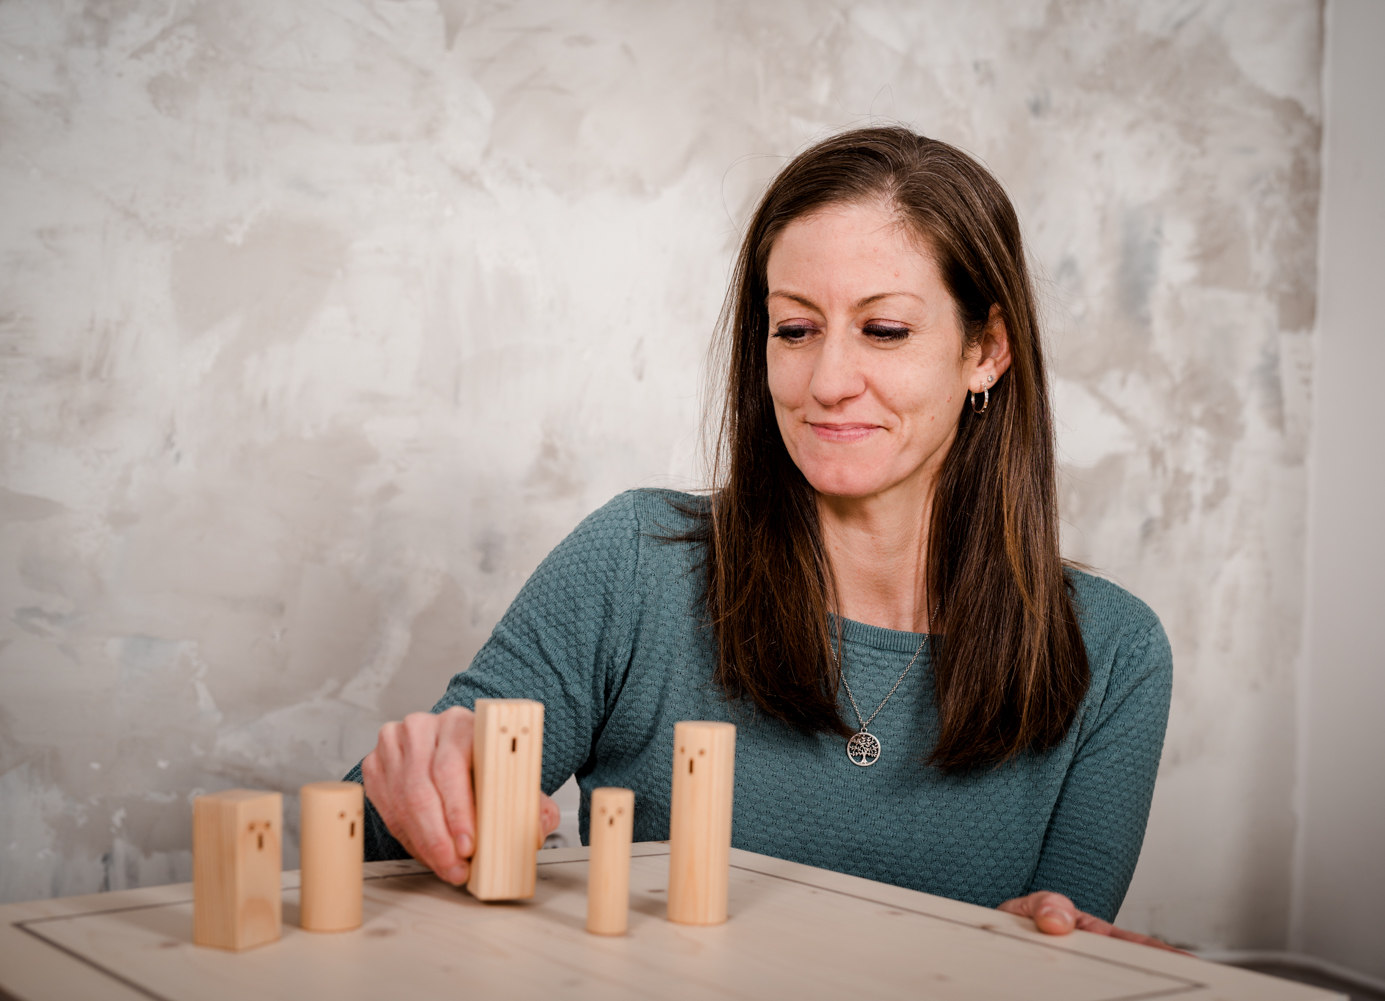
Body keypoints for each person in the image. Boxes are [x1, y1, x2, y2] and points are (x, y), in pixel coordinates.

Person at [349, 126, 1175, 952]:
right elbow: (357, 859)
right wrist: (408, 791)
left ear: (985, 350)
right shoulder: (636, 562)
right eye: (795, 329)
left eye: (884, 330)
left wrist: (1047, 953)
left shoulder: (1115, 653)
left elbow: (1055, 955)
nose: (826, 382)